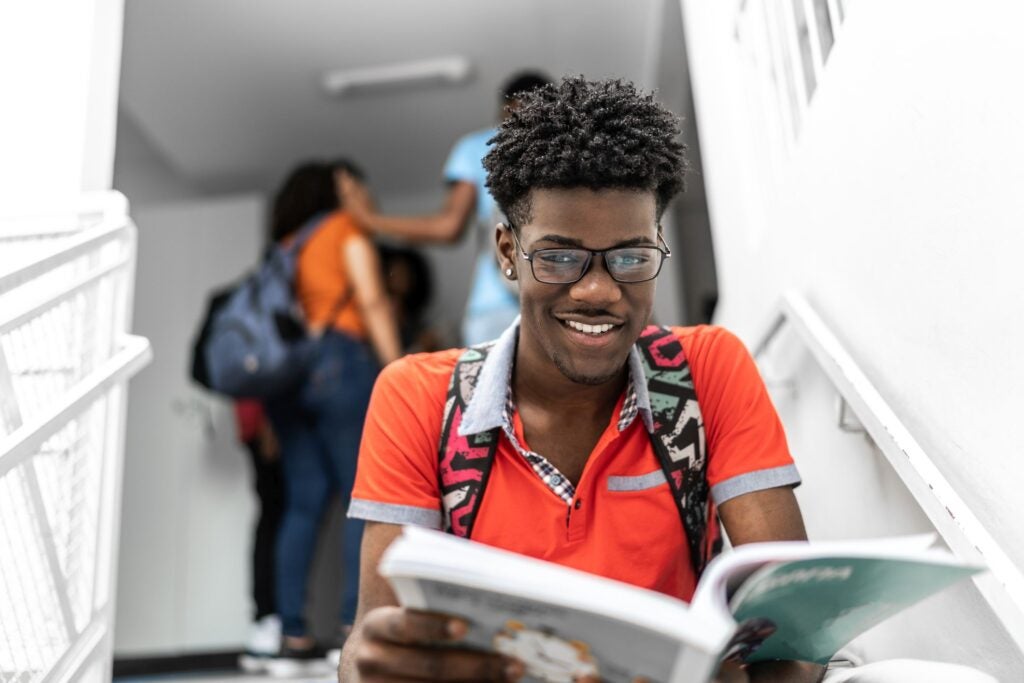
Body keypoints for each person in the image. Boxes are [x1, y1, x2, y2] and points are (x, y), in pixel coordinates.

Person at [337, 78, 996, 682]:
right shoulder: (419, 394)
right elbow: (370, 647)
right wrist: (375, 660)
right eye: (561, 255)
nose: (598, 291)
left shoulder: (706, 368)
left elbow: (792, 637)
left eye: (630, 257)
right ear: (509, 252)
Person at [262, 161, 402, 677]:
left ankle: (292, 632)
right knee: (361, 500)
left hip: (291, 380)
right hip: (341, 364)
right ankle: (352, 625)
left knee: (301, 507)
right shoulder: (344, 230)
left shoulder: (285, 246)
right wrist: (398, 371)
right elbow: (370, 298)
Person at [340, 71, 552, 346]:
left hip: (493, 307)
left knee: (492, 388)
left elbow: (449, 227)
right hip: (553, 300)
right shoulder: (568, 151)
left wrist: (371, 221)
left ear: (504, 111)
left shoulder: (480, 146)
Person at [232, 399, 284, 672]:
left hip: (259, 416)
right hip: (268, 416)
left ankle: (267, 621)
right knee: (276, 515)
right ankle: (269, 621)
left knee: (273, 515)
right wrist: (269, 423)